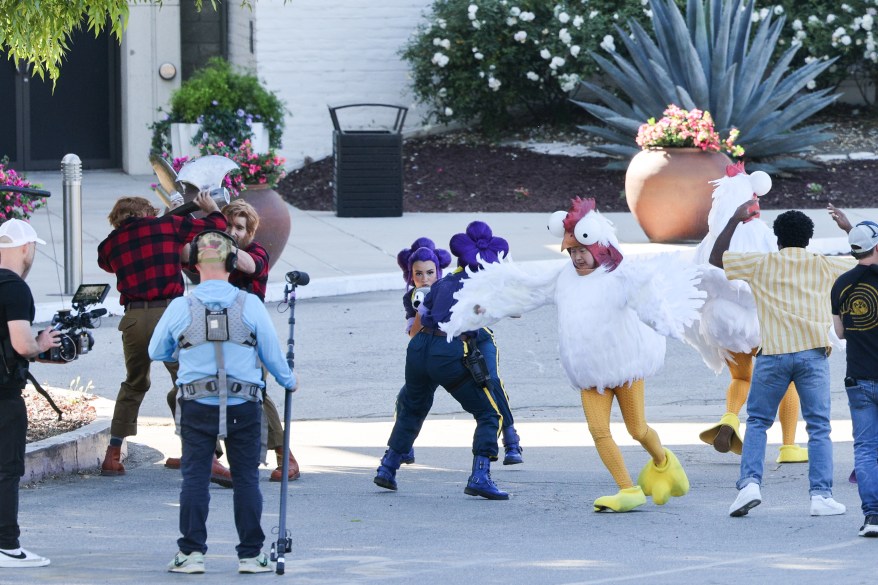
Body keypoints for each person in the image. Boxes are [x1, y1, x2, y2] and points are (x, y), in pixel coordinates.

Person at [443, 198, 699, 512]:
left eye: (582, 251)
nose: (577, 257)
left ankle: (663, 463)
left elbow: (649, 300)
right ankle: (627, 489)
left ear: (599, 247)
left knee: (637, 429)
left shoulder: (620, 275)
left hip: (624, 366)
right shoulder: (563, 276)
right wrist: (486, 309)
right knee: (598, 430)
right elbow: (528, 292)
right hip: (589, 372)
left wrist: (667, 323)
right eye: (572, 252)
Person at [149, 230, 296, 574]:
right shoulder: (250, 304)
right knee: (246, 479)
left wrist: (182, 349)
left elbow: (156, 351)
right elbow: (272, 356)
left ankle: (191, 554)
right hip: (243, 405)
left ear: (193, 266)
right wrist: (290, 381)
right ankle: (250, 555)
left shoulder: (180, 306)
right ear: (233, 262)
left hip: (196, 403)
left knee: (195, 478)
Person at [712, 204, 853, 518]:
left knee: (759, 423)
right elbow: (867, 259)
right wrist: (847, 228)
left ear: (776, 239)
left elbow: (716, 258)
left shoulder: (762, 264)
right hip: (812, 355)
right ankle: (821, 496)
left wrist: (735, 219)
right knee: (818, 428)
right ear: (809, 239)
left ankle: (749, 485)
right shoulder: (823, 265)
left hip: (773, 356)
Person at [97, 192, 229, 481]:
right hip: (171, 315)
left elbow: (106, 263)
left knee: (134, 383)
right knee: (189, 382)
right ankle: (207, 456)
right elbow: (216, 230)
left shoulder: (110, 243)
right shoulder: (168, 226)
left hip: (134, 318)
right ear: (146, 212)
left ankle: (113, 455)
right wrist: (211, 208)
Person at [373, 221, 510, 500]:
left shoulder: (443, 283)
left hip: (418, 349)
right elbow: (502, 311)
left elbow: (418, 322)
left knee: (411, 407)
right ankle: (480, 475)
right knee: (488, 413)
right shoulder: (476, 285)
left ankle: (388, 466)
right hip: (446, 351)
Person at [166, 199, 300, 483]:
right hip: (210, 331)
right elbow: (181, 254)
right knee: (186, 391)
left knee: (255, 394)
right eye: (228, 225)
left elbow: (249, 266)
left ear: (250, 232)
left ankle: (285, 457)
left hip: (247, 333)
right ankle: (205, 454)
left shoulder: (255, 251)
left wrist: (216, 233)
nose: (233, 231)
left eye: (239, 227)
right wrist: (175, 216)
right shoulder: (212, 249)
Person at [688, 163, 807, 463]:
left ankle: (729, 420)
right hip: (761, 324)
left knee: (741, 378)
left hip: (722, 324)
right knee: (787, 383)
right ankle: (789, 446)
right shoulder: (764, 237)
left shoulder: (708, 243)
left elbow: (698, 280)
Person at [0, 220, 61, 568]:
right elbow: (22, 343)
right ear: (26, 249)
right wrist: (41, 344)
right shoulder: (15, 288)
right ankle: (7, 546)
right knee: (6, 471)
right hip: (3, 397)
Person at [830, 213, 878, 536]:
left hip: (858, 378)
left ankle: (872, 517)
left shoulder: (841, 285)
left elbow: (840, 331)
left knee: (865, 448)